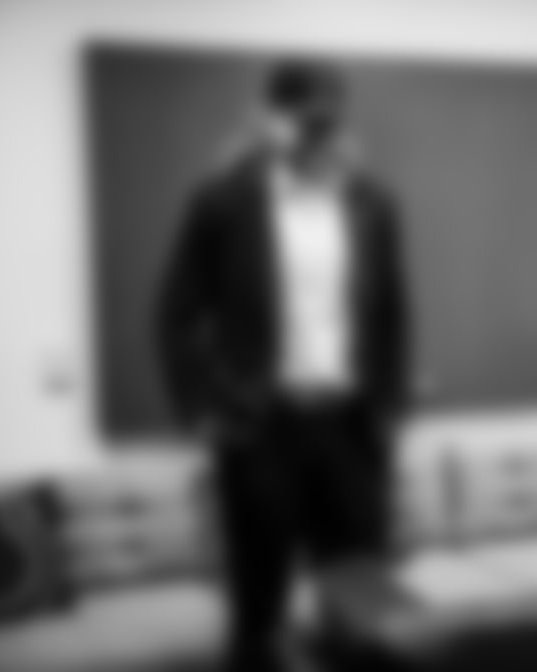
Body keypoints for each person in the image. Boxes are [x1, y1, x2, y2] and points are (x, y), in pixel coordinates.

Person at [155, 59, 411, 672]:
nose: (320, 130)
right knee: (258, 605)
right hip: (260, 429)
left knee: (364, 602)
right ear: (268, 119)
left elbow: (394, 313)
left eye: (331, 116)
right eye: (305, 116)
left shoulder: (373, 203)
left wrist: (390, 405)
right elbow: (175, 314)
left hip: (352, 430)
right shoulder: (222, 200)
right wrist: (201, 410)